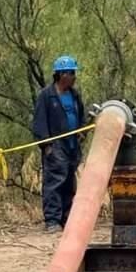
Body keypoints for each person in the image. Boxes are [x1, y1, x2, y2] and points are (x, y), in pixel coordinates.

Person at [32, 55, 85, 233]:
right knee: (54, 182)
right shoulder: (47, 96)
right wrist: (46, 145)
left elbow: (81, 116)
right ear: (62, 75)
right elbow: (39, 121)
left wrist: (82, 132)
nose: (74, 77)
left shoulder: (75, 95)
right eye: (72, 73)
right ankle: (53, 220)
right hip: (55, 146)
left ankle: (67, 218)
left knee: (69, 182)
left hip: (72, 146)